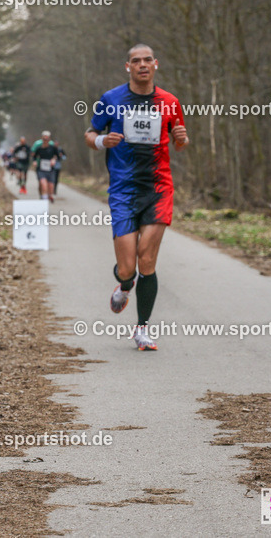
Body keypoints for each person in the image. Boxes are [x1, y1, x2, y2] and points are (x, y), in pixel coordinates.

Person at [84, 44, 188, 351]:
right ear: (127, 66)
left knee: (147, 260)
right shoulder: (111, 99)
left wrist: (182, 140)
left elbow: (179, 141)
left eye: (147, 60)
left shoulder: (169, 102)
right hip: (123, 190)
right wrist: (103, 140)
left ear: (155, 64)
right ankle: (125, 284)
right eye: (135, 61)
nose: (142, 65)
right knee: (128, 266)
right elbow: (89, 135)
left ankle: (142, 329)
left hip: (158, 188)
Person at [30, 131, 60, 201]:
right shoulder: (37, 144)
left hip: (50, 168)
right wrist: (34, 161)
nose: (46, 140)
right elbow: (33, 154)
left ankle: (48, 195)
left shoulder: (52, 146)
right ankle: (43, 197)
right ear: (42, 138)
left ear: (49, 138)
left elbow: (57, 156)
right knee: (43, 184)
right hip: (40, 167)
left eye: (47, 138)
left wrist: (54, 159)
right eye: (44, 138)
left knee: (50, 186)